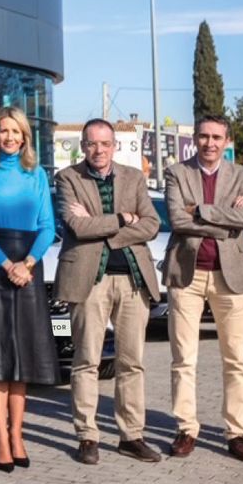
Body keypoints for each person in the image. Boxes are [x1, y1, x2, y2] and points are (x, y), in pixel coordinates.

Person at [55, 118, 162, 464]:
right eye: (91, 144)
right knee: (87, 360)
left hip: (132, 280)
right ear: (82, 146)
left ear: (114, 145)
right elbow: (77, 226)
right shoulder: (68, 178)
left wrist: (110, 224)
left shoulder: (133, 177)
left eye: (105, 143)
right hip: (89, 281)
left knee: (132, 362)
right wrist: (122, 219)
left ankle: (131, 435)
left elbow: (152, 224)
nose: (98, 150)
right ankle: (87, 435)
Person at [0, 106, 58, 472]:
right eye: (3, 131)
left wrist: (28, 264)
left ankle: (18, 433)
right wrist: (7, 265)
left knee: (24, 358)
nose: (9, 137)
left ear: (25, 136)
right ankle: (0, 437)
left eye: (16, 131)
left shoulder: (37, 175)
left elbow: (48, 226)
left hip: (29, 268)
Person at [162, 114, 243, 463]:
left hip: (229, 276)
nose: (210, 143)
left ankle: (237, 434)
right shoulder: (177, 172)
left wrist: (200, 211)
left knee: (236, 360)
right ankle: (186, 429)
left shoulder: (241, 175)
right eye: (203, 136)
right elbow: (177, 219)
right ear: (195, 139)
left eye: (217, 137)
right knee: (183, 359)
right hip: (186, 275)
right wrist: (223, 222)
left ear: (227, 141)